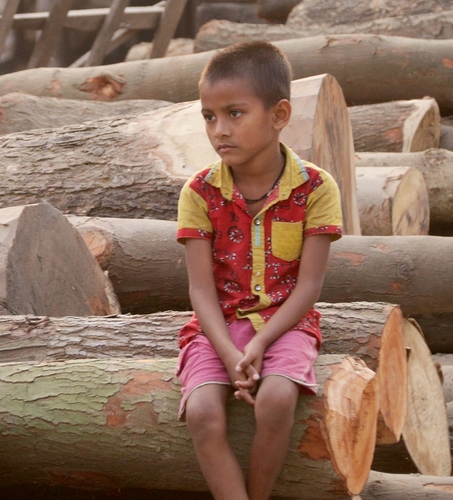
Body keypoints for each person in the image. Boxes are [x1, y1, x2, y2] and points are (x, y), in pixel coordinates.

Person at [175, 41, 344, 500]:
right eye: (209, 116)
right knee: (203, 414)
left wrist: (265, 341)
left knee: (275, 399)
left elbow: (309, 286)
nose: (219, 130)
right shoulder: (199, 193)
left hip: (287, 323)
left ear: (279, 114)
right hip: (217, 327)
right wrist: (231, 354)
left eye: (235, 113)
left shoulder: (315, 188)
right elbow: (201, 291)